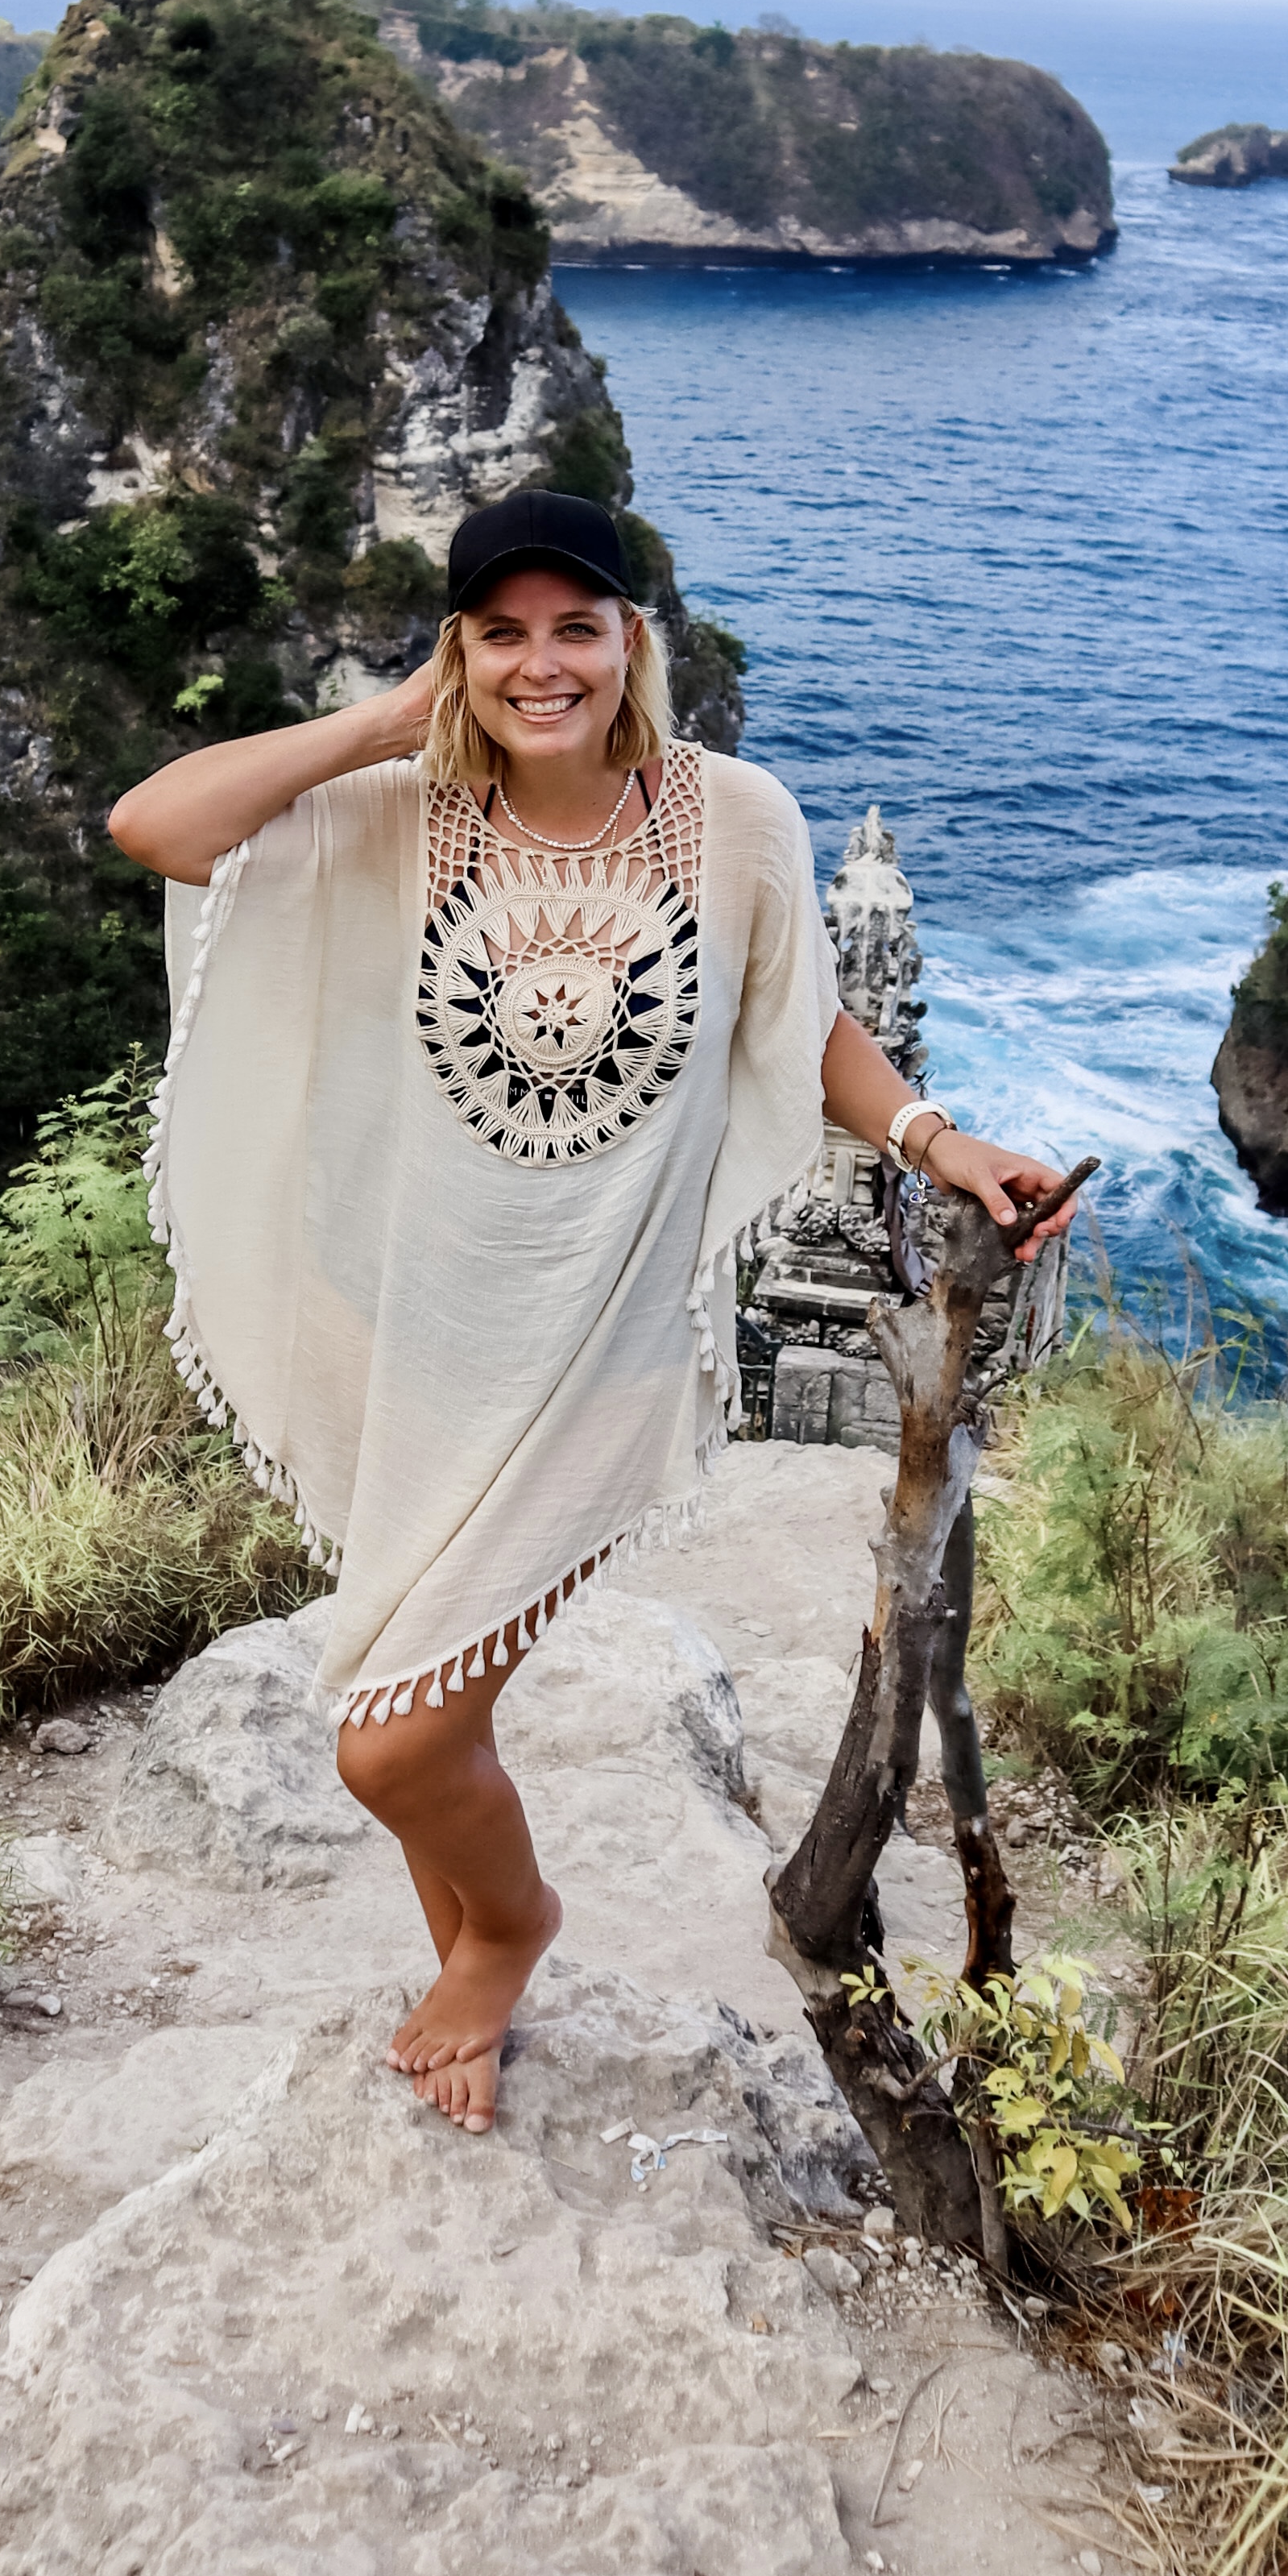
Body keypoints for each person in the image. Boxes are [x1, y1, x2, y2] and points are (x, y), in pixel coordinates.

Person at [106, 487, 1078, 2137]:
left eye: (575, 626)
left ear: (632, 640)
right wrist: (389, 722)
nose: (539, 663)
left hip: (596, 1347)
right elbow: (159, 827)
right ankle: (471, 1981)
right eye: (501, 632)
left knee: (387, 1745)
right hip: (410, 1321)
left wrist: (931, 1137)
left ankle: (506, 1933)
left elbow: (802, 1025)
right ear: (456, 650)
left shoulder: (730, 818)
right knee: (434, 1698)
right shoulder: (400, 809)